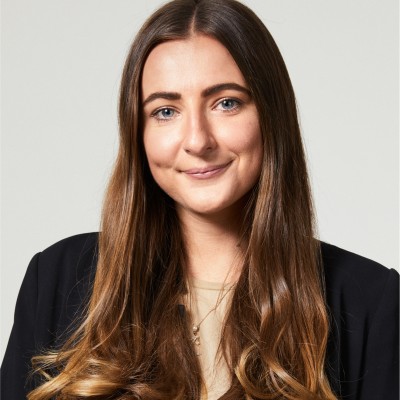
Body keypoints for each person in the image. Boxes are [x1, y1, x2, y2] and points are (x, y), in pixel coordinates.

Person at [1, 0, 398, 399]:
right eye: (165, 111)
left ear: (271, 114)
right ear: (138, 132)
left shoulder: (371, 301)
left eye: (226, 103)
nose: (197, 140)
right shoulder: (56, 280)